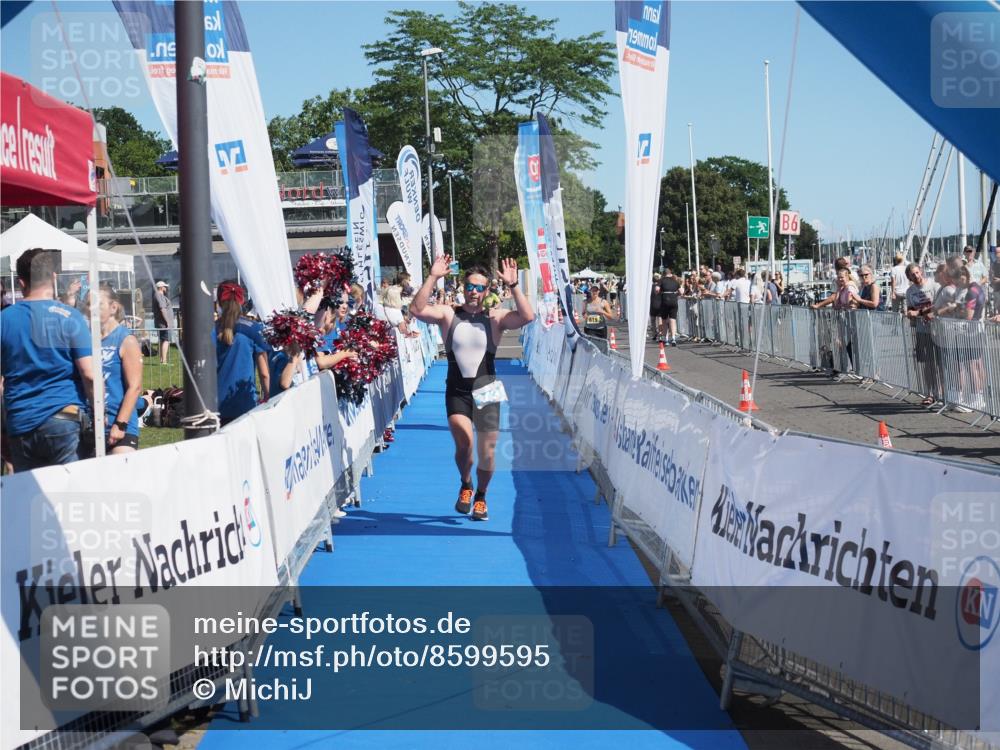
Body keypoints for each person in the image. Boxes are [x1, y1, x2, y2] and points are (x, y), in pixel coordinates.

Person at [409, 254, 534, 522]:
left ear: (487, 291)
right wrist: (433, 276)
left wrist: (513, 286)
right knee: (464, 443)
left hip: (487, 390)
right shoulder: (448, 314)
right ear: (463, 288)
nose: (474, 292)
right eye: (470, 287)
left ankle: (481, 495)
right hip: (457, 390)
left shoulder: (495, 318)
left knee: (487, 454)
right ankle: (466, 483)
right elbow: (417, 310)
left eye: (480, 288)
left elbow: (528, 316)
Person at [1, 248, 95, 472]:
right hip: (64, 416)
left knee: (30, 499)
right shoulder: (70, 317)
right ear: (53, 278)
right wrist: (100, 416)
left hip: (20, 421)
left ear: (21, 282)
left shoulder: (4, 320)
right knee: (69, 494)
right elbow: (89, 374)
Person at [214, 281, 267, 426]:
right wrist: (268, 399)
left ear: (218, 301)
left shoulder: (211, 330)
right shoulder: (254, 329)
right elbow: (264, 374)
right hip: (245, 404)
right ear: (241, 301)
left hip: (216, 406)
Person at [98, 284, 142, 454]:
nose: (90, 310)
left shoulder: (125, 339)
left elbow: (135, 387)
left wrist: (120, 424)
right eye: (87, 304)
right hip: (91, 426)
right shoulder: (86, 339)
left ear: (113, 307)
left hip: (121, 426)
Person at [904, 263, 941, 406]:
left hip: (937, 329)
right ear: (909, 277)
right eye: (912, 274)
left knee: (940, 362)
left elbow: (938, 305)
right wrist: (909, 313)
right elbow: (910, 309)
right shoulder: (910, 291)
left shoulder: (934, 285)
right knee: (927, 364)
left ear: (922, 272)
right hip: (922, 330)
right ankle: (930, 393)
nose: (916, 276)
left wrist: (919, 312)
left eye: (917, 273)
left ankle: (941, 392)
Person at [153, 280, 175, 365]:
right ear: (161, 288)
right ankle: (164, 361)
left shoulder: (158, 295)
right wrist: (168, 321)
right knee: (166, 340)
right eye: (165, 286)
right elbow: (162, 309)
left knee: (163, 340)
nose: (166, 288)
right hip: (164, 324)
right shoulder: (159, 295)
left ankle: (162, 360)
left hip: (162, 323)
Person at [658, 268, 681, 345]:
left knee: (664, 320)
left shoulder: (661, 280)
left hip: (665, 301)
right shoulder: (675, 281)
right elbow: (681, 291)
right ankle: (673, 338)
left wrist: (660, 292)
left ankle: (666, 339)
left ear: (664, 274)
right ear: (670, 273)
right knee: (672, 320)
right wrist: (676, 294)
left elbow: (657, 289)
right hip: (674, 301)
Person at [649, 272, 663, 341]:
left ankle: (654, 334)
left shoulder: (650, 287)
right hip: (660, 305)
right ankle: (660, 334)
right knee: (660, 320)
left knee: (653, 320)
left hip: (652, 305)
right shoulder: (661, 287)